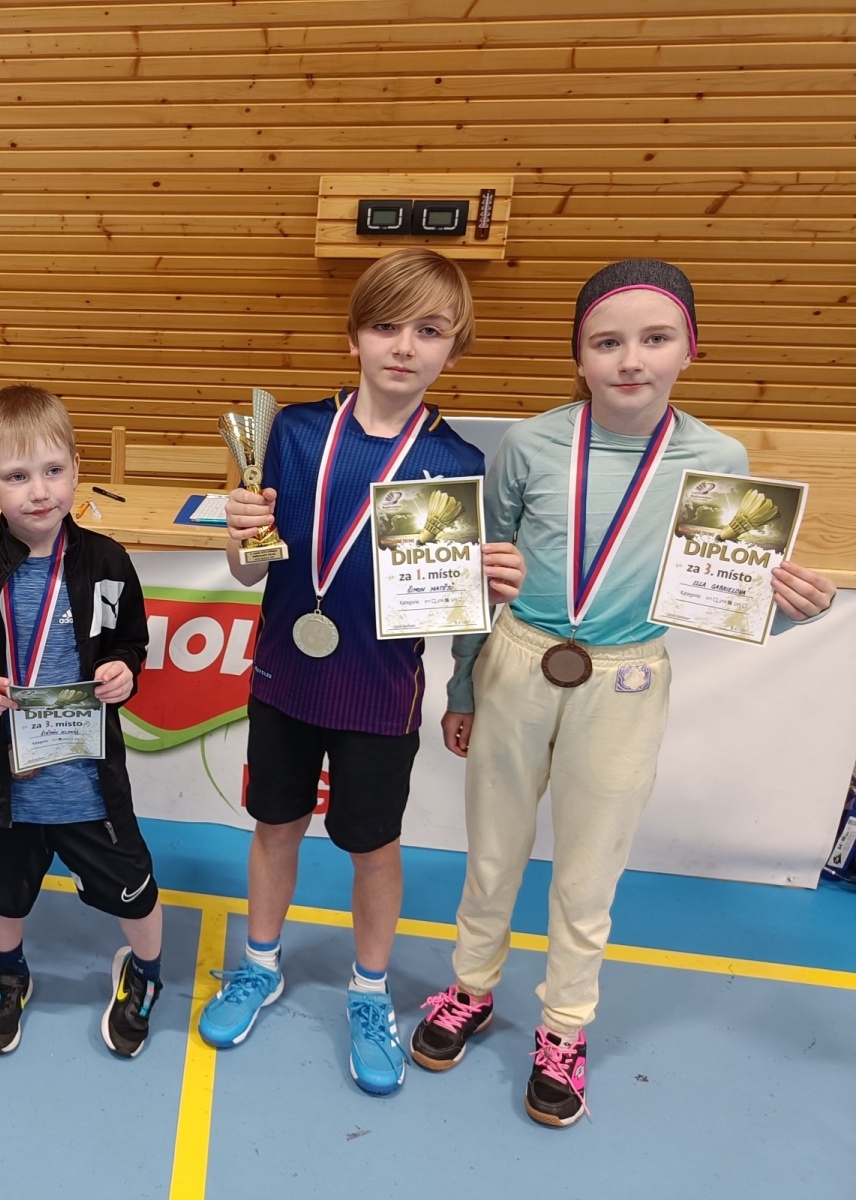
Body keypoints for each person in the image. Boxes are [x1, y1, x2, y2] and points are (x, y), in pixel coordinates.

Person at [410, 258, 836, 1127]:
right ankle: (471, 988)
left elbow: (721, 594)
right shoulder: (530, 445)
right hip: (519, 661)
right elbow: (481, 578)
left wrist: (794, 614)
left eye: (655, 339)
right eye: (607, 342)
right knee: (491, 853)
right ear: (580, 355)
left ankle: (564, 1028)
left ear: (690, 348)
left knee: (589, 870)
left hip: (627, 676)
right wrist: (462, 683)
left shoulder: (717, 459)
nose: (631, 359)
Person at [196, 248, 524, 1096]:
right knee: (274, 827)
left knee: (374, 849)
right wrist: (240, 534)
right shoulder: (292, 434)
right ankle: (260, 965)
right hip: (284, 679)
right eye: (385, 326)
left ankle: (370, 991)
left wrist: (485, 590)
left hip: (379, 694)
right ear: (353, 338)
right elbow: (248, 571)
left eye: (429, 330)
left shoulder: (457, 462)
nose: (404, 346)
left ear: (455, 347)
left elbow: (452, 611)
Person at [0, 384, 163, 1057]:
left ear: (77, 469)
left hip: (87, 783)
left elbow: (131, 641)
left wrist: (125, 670)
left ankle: (145, 972)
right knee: (3, 895)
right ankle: (10, 974)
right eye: (17, 476)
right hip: (4, 785)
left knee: (134, 892)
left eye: (53, 470)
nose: (38, 491)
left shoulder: (107, 561)